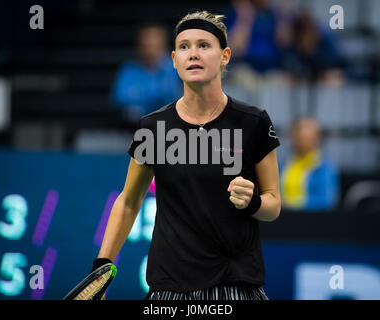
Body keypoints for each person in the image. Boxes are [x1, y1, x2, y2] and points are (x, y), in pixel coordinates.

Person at [92, 10, 281, 300]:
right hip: (169, 290)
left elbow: (273, 205)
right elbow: (129, 201)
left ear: (225, 56)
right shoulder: (153, 128)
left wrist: (253, 201)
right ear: (174, 60)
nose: (193, 54)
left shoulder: (253, 122)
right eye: (184, 47)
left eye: (204, 45)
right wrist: (103, 266)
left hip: (236, 286)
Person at [110, 21, 182, 121]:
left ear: (164, 46)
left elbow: (174, 97)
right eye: (147, 45)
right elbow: (120, 98)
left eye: (155, 46)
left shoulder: (177, 69)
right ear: (139, 46)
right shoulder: (128, 70)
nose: (151, 51)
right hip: (134, 128)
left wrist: (139, 95)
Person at [280, 117, 339, 211]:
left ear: (317, 139)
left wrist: (291, 204)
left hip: (311, 220)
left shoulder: (325, 167)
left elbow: (327, 201)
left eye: (306, 138)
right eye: (298, 137)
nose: (301, 142)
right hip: (281, 218)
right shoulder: (283, 163)